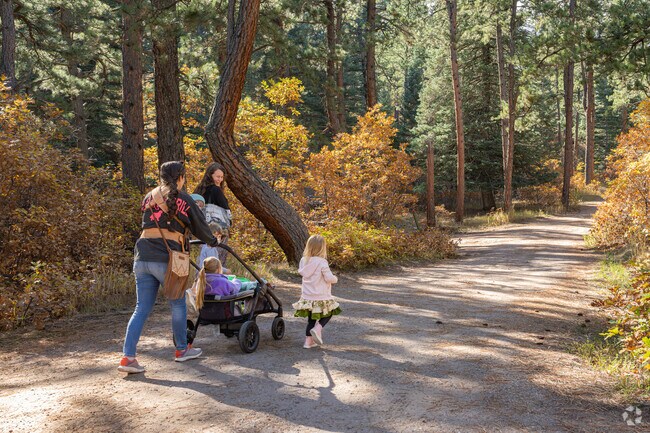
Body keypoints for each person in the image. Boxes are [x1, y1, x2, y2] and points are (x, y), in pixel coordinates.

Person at [118, 161, 221, 374]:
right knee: (177, 303)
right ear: (180, 177)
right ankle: (182, 350)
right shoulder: (184, 198)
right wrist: (213, 241)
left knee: (141, 308)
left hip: (142, 256)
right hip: (168, 258)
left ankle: (128, 357)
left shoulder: (149, 196)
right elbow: (200, 226)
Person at [292, 234, 341, 349]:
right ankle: (318, 328)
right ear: (322, 248)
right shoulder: (322, 262)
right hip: (321, 295)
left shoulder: (303, 261)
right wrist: (335, 279)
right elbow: (329, 278)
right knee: (331, 311)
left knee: (311, 319)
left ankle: (308, 342)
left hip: (307, 296)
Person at [194, 163, 231, 266]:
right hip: (216, 230)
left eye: (222, 177)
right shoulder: (216, 189)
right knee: (215, 259)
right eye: (217, 176)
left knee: (202, 257)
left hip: (202, 229)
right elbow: (226, 208)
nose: (220, 179)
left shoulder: (200, 190)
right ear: (210, 175)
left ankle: (200, 279)